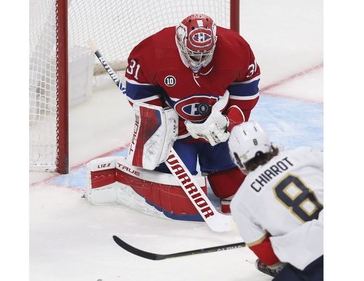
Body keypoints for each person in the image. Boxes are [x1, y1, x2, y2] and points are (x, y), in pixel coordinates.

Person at [123, 13, 261, 214]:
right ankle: (164, 174)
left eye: (206, 54)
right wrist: (167, 123)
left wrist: (229, 120)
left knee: (233, 190)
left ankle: (222, 170)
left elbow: (246, 86)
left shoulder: (235, 48)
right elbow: (139, 90)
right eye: (194, 54)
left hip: (215, 126)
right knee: (178, 193)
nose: (200, 61)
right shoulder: (154, 49)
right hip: (175, 131)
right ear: (180, 41)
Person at [227, 121, 323, 280]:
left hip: (312, 260)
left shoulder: (240, 202)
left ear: (237, 158)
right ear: (269, 144)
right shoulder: (304, 154)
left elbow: (268, 256)